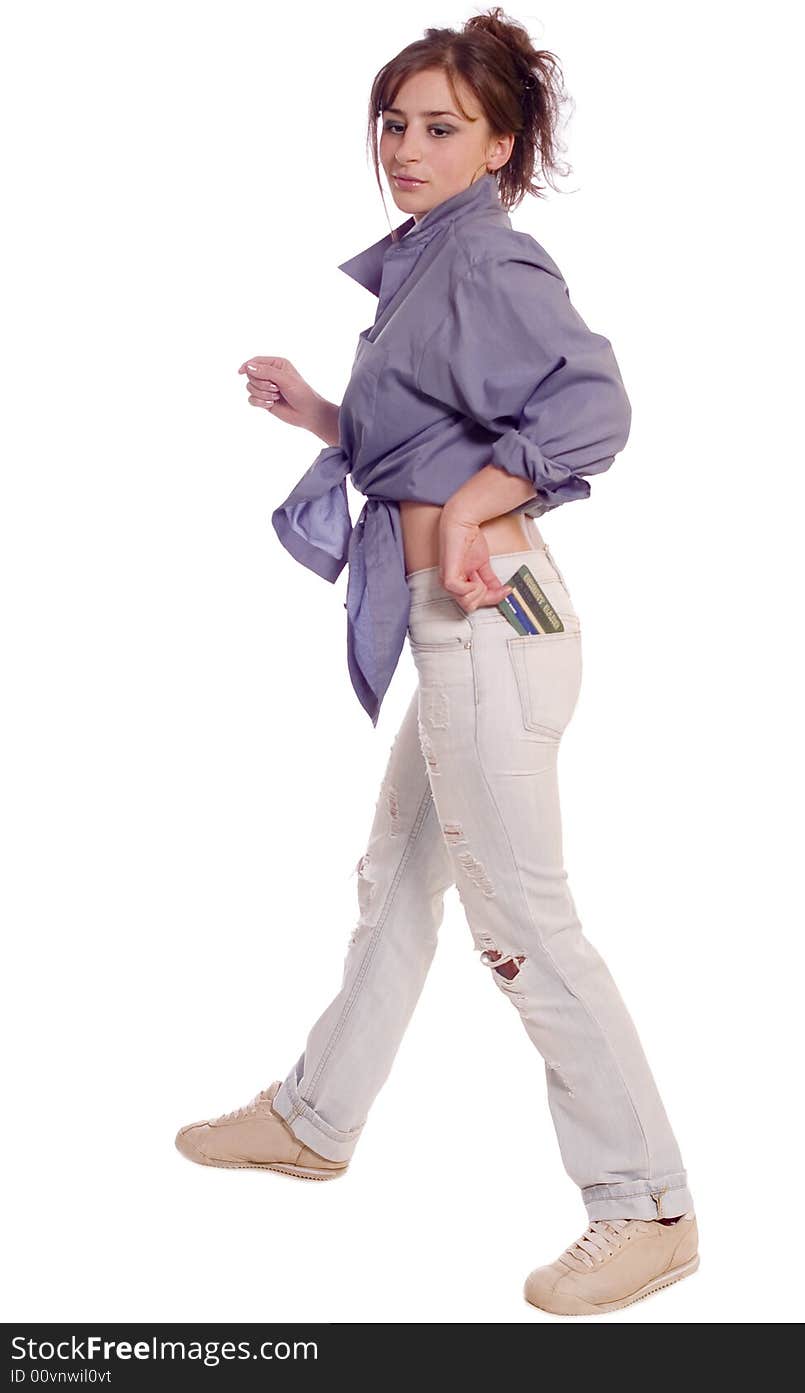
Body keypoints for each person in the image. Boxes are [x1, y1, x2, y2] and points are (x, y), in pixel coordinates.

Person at [175, 8, 699, 1317]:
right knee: (398, 878)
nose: (404, 147)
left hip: (492, 617)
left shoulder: (488, 261)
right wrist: (320, 414)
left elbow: (591, 408)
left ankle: (648, 1206)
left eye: (440, 127)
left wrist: (469, 511)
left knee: (524, 919)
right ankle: (316, 1115)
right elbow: (427, 438)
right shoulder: (429, 262)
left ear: (502, 143)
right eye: (394, 123)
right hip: (460, 616)